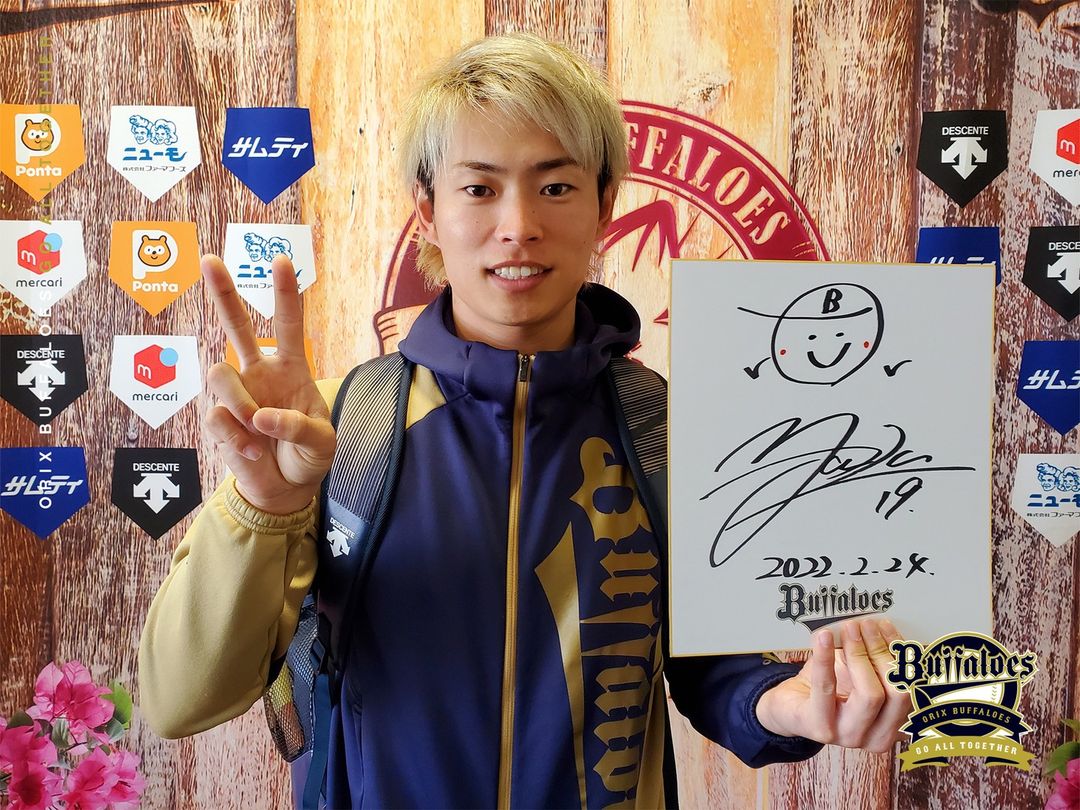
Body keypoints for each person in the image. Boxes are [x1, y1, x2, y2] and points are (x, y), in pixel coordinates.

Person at [139, 32, 910, 809]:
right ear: (428, 212)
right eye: (479, 188)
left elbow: (712, 668)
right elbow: (179, 700)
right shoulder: (336, 429)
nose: (518, 224)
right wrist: (265, 506)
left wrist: (785, 703)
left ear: (604, 206)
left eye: (555, 186)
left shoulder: (667, 432)